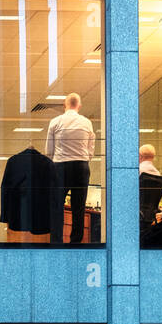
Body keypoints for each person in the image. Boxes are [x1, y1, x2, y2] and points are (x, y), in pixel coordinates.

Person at [45, 94, 95, 243]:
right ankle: (76, 242)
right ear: (79, 105)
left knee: (57, 206)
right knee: (79, 208)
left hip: (61, 166)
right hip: (81, 166)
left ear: (64, 105)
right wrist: (84, 160)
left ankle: (56, 241)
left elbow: (49, 150)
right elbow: (90, 149)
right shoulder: (87, 123)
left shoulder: (55, 122)